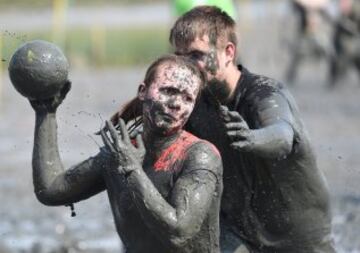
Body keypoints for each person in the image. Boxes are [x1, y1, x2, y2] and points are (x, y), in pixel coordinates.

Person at [168, 5, 336, 253]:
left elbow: (282, 136)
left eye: (195, 55)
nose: (185, 67)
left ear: (228, 52)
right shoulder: (192, 103)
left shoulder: (264, 93)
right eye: (179, 57)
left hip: (299, 236)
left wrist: (252, 138)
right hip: (238, 231)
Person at [30, 54, 223, 253]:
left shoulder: (200, 156)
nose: (177, 103)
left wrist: (132, 170)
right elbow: (51, 190)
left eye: (188, 98)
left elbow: (180, 233)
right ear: (143, 91)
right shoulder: (119, 152)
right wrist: (45, 113)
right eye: (168, 91)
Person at [328, 0, 360, 87]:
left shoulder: (357, 9)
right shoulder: (336, 9)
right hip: (340, 38)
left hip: (354, 38)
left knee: (356, 56)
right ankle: (333, 80)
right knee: (335, 55)